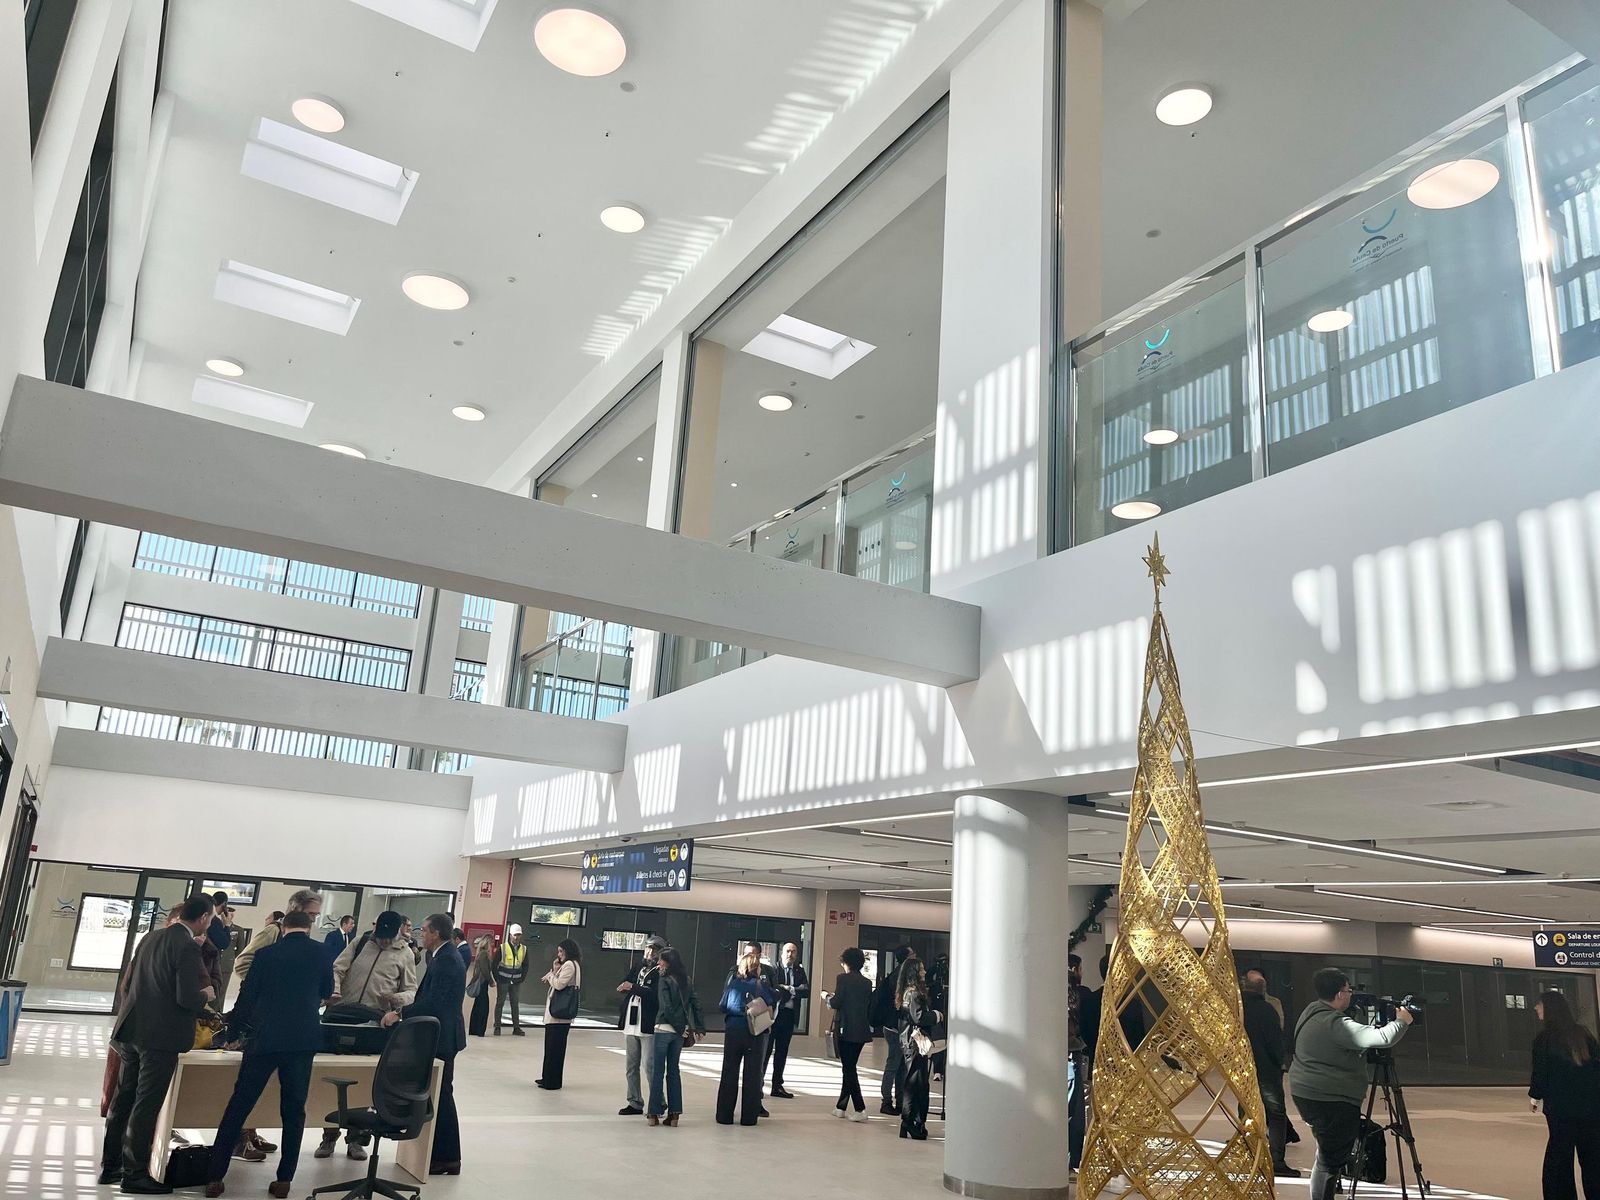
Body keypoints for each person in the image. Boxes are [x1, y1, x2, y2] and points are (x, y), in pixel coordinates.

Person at [203, 910, 331, 1199]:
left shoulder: (267, 955)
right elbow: (327, 990)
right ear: (309, 928)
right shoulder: (322, 953)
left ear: (283, 928)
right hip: (302, 1041)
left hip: (265, 1039)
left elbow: (248, 997)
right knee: (294, 1110)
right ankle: (284, 1180)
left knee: (240, 1105)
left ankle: (215, 1176)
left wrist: (232, 1034)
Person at [100, 894, 215, 1194]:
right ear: (203, 918)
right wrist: (208, 996)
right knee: (146, 1104)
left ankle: (110, 1166)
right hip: (160, 1038)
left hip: (132, 1030)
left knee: (123, 1100)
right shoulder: (188, 947)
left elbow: (134, 982)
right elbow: (187, 998)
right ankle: (135, 1174)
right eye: (212, 919)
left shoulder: (150, 938)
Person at [1288, 968, 1412, 1200]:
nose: (1351, 994)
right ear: (1339, 994)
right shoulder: (1336, 1023)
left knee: (1327, 1151)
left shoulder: (1310, 1011)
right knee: (1330, 1158)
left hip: (1307, 1091)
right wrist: (1401, 1021)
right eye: (1348, 990)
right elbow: (1383, 1038)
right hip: (1330, 1097)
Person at [316, 911, 418, 1161]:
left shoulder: (405, 953)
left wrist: (395, 999)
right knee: (330, 1078)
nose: (382, 941)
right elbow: (337, 968)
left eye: (387, 937)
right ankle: (329, 1136)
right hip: (341, 1017)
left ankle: (357, 1140)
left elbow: (412, 991)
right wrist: (335, 990)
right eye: (379, 936)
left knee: (363, 1081)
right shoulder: (360, 942)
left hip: (374, 1024)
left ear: (397, 932)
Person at [381, 913, 466, 1176]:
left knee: (441, 1096)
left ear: (436, 934)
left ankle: (447, 1157)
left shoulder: (447, 960)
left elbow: (434, 1003)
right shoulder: (442, 956)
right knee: (438, 1095)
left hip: (442, 1038)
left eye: (424, 930)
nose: (421, 934)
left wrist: (400, 1012)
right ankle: (443, 1156)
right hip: (440, 1035)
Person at [1531, 990, 1600, 1199]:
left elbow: (1541, 1072)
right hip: (1590, 1110)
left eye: (1540, 1005)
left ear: (1549, 1009)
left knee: (1559, 1162)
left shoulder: (1544, 1039)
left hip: (1561, 1111)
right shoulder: (1583, 1034)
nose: (1536, 1009)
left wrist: (1535, 1096)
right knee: (1592, 1160)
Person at [1241, 972, 1297, 1178]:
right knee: (1276, 1113)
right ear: (1262, 989)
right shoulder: (1267, 1010)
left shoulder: (1236, 1009)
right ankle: (1277, 1160)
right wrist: (1280, 1061)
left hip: (1243, 1070)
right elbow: (1275, 1041)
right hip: (1266, 1070)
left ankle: (1248, 1153)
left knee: (1246, 1110)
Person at [716, 947, 775, 1126]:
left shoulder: (733, 984)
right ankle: (749, 1117)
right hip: (754, 1033)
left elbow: (722, 1006)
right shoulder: (760, 986)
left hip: (733, 1031)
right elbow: (770, 1008)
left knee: (729, 1072)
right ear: (756, 968)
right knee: (752, 1074)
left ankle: (724, 1115)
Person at [648, 947, 706, 1127]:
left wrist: (679, 1027)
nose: (658, 964)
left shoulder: (664, 980)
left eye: (661, 960)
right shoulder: (687, 980)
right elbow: (696, 1004)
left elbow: (665, 1007)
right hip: (679, 1034)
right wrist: (699, 1027)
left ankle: (653, 1114)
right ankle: (674, 1115)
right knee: (674, 1071)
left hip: (664, 1029)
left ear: (669, 962)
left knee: (658, 1071)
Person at [616, 934, 666, 1116]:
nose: (649, 952)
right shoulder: (638, 965)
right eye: (648, 948)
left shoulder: (662, 971)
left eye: (654, 949)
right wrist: (625, 985)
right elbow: (627, 980)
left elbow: (655, 996)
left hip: (648, 1023)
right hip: (631, 1021)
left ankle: (658, 1103)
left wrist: (633, 987)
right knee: (631, 1065)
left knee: (649, 1066)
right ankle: (635, 1101)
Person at [233, 890, 321, 991]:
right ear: (295, 909)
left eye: (316, 915)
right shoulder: (274, 930)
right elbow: (242, 964)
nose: (313, 919)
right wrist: (267, 986)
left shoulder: (304, 936)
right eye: (310, 913)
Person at [824, 946, 873, 1122]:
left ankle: (860, 1108)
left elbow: (837, 1002)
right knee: (849, 1066)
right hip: (861, 1029)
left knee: (849, 1068)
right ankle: (841, 1106)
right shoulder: (867, 983)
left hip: (845, 1029)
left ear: (846, 963)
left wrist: (826, 998)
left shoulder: (842, 979)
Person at [898, 955, 942, 1141]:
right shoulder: (915, 994)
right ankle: (910, 1122)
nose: (925, 971)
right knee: (916, 1085)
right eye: (921, 969)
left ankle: (910, 1123)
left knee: (915, 1083)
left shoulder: (906, 993)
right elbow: (919, 1018)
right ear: (915, 972)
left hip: (910, 1041)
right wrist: (936, 1015)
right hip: (916, 1043)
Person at [873, 946, 914, 1115]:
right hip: (895, 1026)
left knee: (899, 1065)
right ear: (907, 958)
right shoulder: (901, 977)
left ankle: (897, 1100)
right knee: (894, 1064)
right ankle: (887, 1101)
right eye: (913, 955)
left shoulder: (896, 974)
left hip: (894, 1026)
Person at [766, 942, 810, 1099]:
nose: (790, 954)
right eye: (788, 951)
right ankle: (758, 1085)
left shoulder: (799, 970)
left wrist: (790, 989)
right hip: (774, 1015)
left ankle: (777, 1085)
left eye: (793, 951)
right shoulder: (773, 969)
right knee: (766, 1050)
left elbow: (806, 991)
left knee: (782, 1051)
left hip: (789, 1015)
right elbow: (773, 990)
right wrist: (789, 990)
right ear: (781, 953)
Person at [537, 939, 582, 1090]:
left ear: (568, 951)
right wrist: (555, 970)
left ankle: (552, 1080)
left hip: (559, 1016)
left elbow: (559, 984)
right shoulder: (570, 965)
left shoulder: (570, 965)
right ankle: (547, 1077)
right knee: (551, 1048)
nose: (559, 955)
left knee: (554, 1049)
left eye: (561, 951)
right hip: (557, 1017)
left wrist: (551, 975)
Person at [1067, 953, 1090, 1169]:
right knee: (1075, 1108)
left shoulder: (1051, 994)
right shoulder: (1082, 995)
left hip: (1057, 1056)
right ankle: (1074, 1157)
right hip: (1073, 1054)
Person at [495, 924, 529, 1036]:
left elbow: (525, 965)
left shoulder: (524, 949)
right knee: (500, 1003)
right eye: (515, 935)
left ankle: (516, 1028)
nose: (517, 937)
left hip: (516, 982)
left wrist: (521, 978)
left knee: (515, 1004)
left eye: (519, 935)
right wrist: (498, 979)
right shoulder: (503, 947)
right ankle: (497, 1027)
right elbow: (494, 964)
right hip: (503, 980)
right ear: (510, 935)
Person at [467, 934, 495, 1037]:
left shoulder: (480, 953)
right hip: (482, 983)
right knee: (483, 1007)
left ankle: (474, 1029)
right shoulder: (484, 954)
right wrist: (491, 980)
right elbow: (485, 970)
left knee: (477, 1006)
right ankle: (479, 1030)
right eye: (491, 943)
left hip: (480, 982)